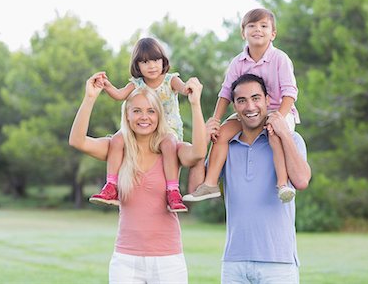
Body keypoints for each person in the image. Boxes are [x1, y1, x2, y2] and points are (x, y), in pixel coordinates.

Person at [69, 72, 207, 283]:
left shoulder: (171, 150)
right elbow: (77, 141)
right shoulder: (117, 148)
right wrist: (90, 98)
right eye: (137, 111)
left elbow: (198, 152)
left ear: (159, 116)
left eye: (151, 111)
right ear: (127, 116)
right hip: (126, 260)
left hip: (168, 259)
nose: (144, 117)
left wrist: (195, 104)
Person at [188, 74, 311, 284]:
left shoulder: (289, 139)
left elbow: (301, 181)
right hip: (234, 263)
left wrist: (283, 133)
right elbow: (195, 187)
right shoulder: (225, 145)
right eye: (241, 100)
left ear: (267, 99)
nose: (250, 106)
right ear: (234, 106)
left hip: (278, 263)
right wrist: (203, 142)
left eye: (256, 98)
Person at [183, 8, 300, 203]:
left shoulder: (280, 59)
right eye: (252, 25)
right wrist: (215, 121)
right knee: (221, 133)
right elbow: (226, 93)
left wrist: (279, 117)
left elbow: (290, 93)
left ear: (273, 34)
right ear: (243, 32)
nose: (258, 30)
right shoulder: (238, 62)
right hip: (248, 112)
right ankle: (210, 184)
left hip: (278, 109)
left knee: (275, 134)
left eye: (264, 26)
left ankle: (282, 184)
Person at [89, 37, 192, 212]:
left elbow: (183, 88)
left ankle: (173, 190)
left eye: (156, 60)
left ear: (163, 61)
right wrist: (106, 86)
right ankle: (111, 185)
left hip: (167, 129)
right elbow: (120, 95)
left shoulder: (170, 80)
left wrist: (189, 88)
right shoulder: (137, 84)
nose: (152, 65)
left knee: (169, 145)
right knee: (116, 140)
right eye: (145, 62)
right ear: (137, 66)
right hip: (142, 129)